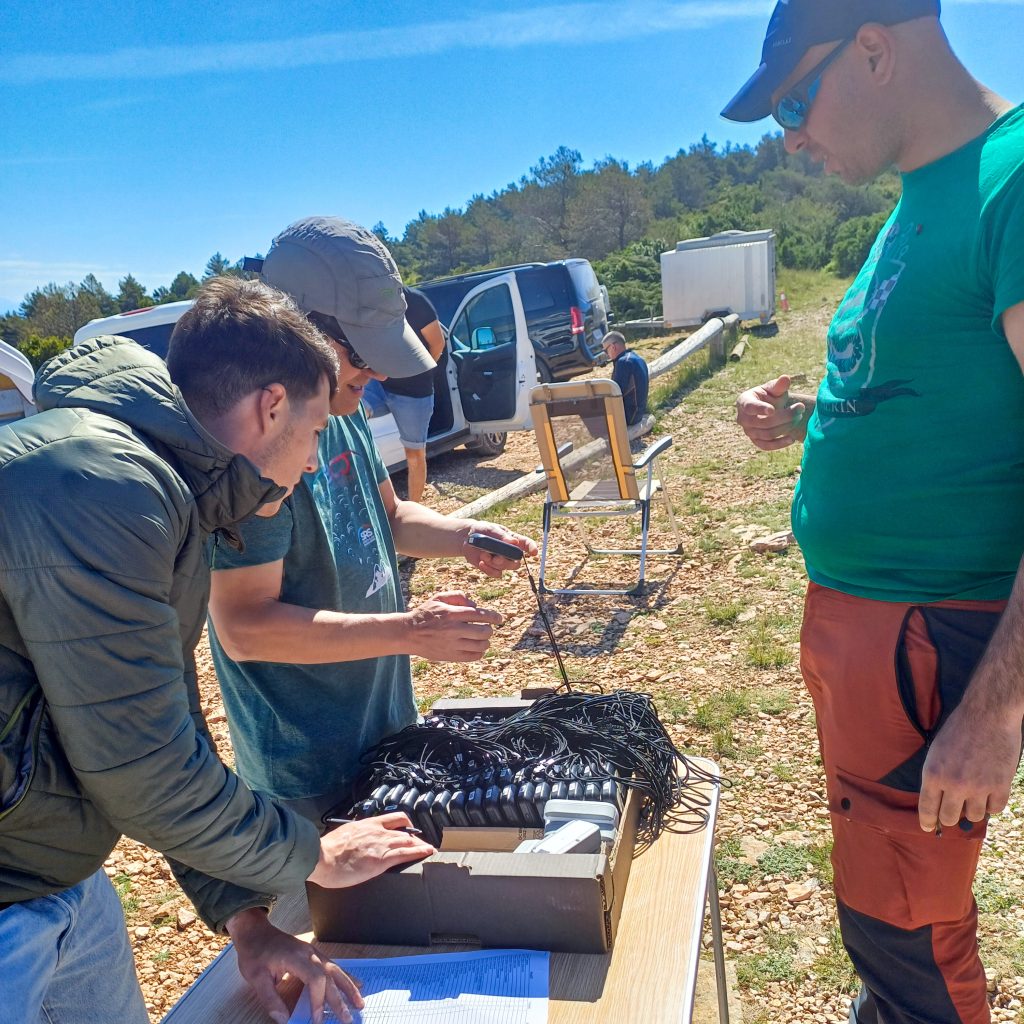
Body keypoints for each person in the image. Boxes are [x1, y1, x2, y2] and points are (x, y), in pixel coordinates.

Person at [0, 276, 434, 1024]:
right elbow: (142, 769)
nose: (308, 465)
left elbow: (161, 722)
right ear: (271, 407)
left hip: (57, 874)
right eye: (313, 432)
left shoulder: (161, 488)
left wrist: (246, 917)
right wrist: (311, 856)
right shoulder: (102, 485)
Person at [728, 2, 1024, 1021]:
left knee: (907, 937)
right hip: (869, 637)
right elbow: (947, 390)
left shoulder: (1013, 178)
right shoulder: (916, 197)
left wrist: (996, 707)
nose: (793, 136)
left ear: (873, 48)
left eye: (794, 104)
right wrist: (810, 414)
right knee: (884, 924)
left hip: (930, 642)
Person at [206, 218, 536, 817]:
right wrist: (412, 631)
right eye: (363, 352)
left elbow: (387, 516)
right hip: (308, 765)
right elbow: (244, 629)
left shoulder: (342, 404)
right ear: (295, 332)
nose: (379, 374)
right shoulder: (255, 451)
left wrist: (465, 536)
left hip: (384, 724)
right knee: (339, 910)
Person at [362, 285, 446, 502]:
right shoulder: (370, 302)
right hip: (379, 383)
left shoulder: (416, 302)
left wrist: (420, 371)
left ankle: (414, 509)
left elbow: (437, 343)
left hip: (414, 392)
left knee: (414, 454)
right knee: (356, 412)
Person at [602, 330, 649, 426]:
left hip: (630, 417)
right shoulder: (637, 358)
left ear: (613, 347)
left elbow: (615, 393)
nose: (607, 355)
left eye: (606, 350)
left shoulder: (623, 362)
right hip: (639, 413)